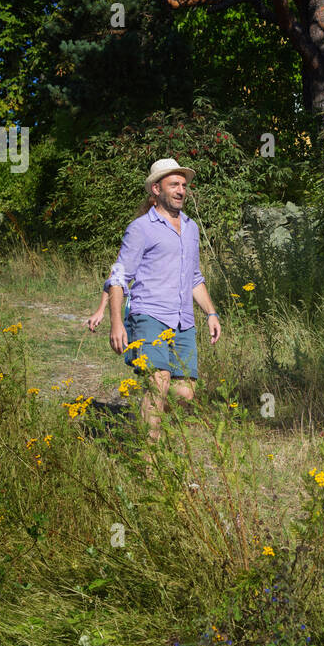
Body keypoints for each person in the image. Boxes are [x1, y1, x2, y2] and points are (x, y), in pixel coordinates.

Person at [107, 158, 222, 444]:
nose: (181, 190)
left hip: (182, 319)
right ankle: (149, 458)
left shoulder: (192, 228)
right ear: (157, 189)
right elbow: (119, 277)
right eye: (174, 184)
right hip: (149, 315)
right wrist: (117, 323)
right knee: (159, 382)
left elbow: (194, 277)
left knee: (186, 392)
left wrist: (210, 313)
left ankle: (148, 409)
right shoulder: (141, 228)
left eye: (184, 185)